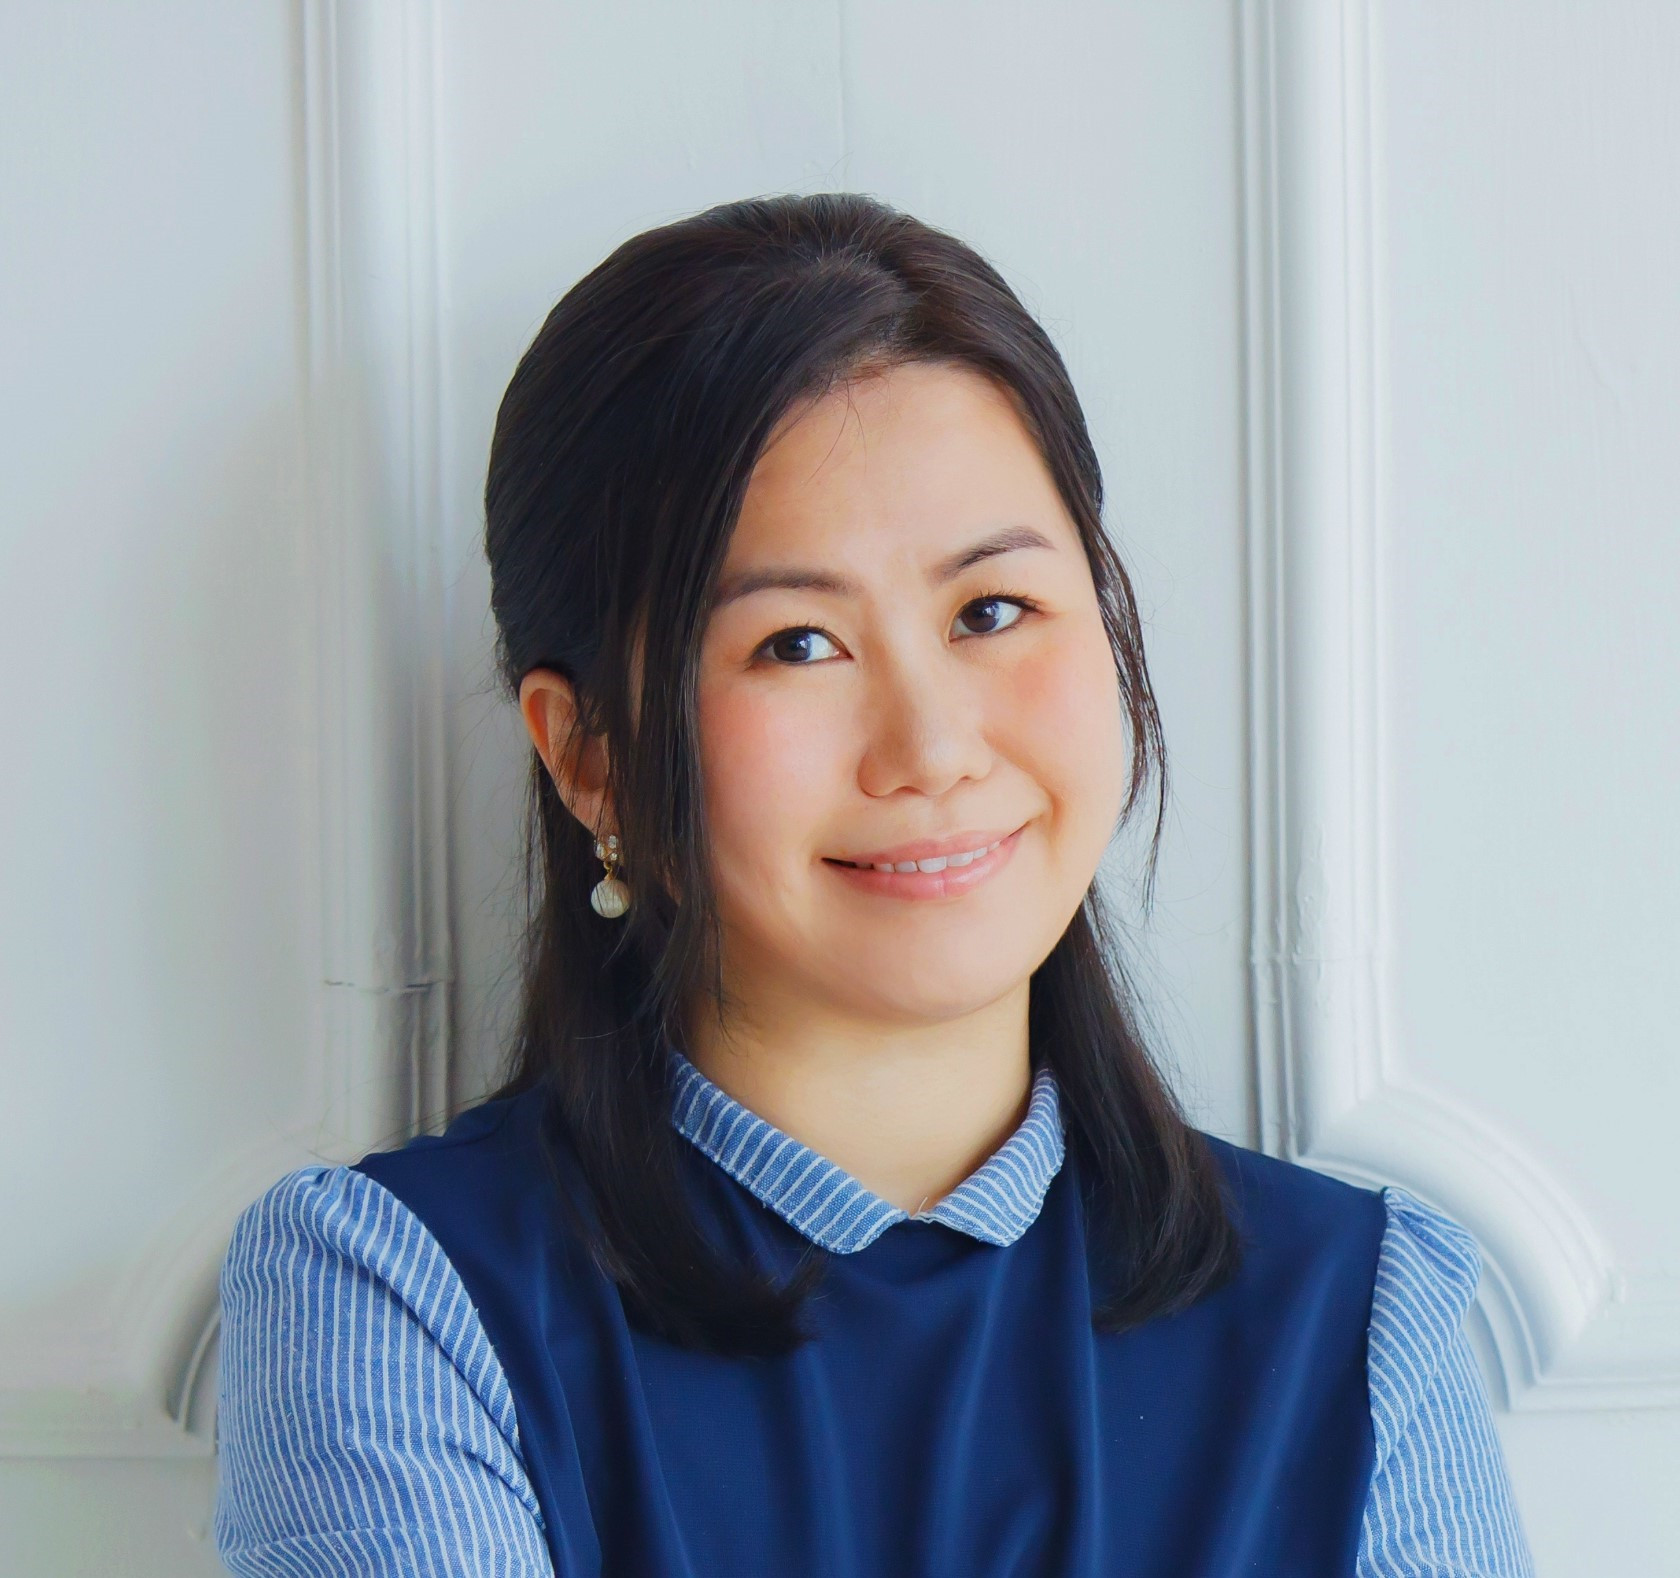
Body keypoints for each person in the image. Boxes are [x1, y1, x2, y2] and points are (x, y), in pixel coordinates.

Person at [212, 192, 1535, 1576]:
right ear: (590, 755)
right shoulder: (398, 1298)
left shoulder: (1360, 1320)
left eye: (992, 611)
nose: (934, 748)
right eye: (796, 643)